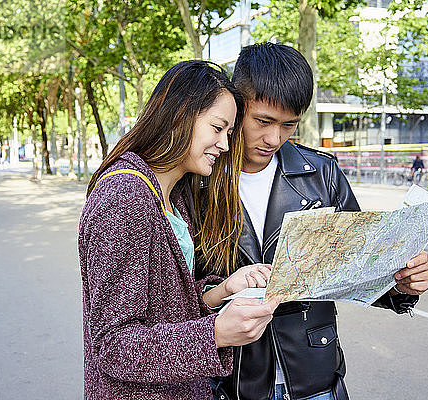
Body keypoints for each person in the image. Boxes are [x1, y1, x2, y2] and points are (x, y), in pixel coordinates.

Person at [202, 43, 428, 400]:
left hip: (315, 377)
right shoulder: (201, 177)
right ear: (237, 105)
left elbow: (359, 268)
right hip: (230, 379)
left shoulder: (321, 174)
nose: (274, 138)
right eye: (263, 121)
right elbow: (179, 289)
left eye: (289, 125)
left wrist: (401, 284)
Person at [78, 60, 281, 400]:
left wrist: (222, 290)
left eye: (229, 133)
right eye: (217, 128)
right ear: (180, 114)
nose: (226, 145)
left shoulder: (171, 195)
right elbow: (112, 345)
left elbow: (165, 307)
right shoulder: (123, 199)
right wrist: (214, 334)